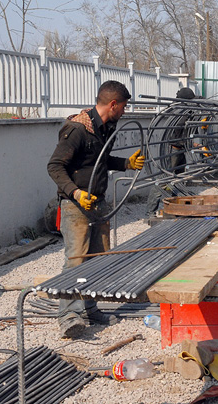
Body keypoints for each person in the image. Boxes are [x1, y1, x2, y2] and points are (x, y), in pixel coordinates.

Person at [48, 80, 145, 338]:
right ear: (112, 104)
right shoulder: (77, 129)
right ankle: (68, 315)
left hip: (97, 202)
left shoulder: (106, 127)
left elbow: (99, 162)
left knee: (98, 258)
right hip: (75, 204)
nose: (125, 112)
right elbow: (55, 167)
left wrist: (126, 164)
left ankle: (90, 309)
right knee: (77, 259)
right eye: (123, 107)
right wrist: (77, 193)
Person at [145, 87, 194, 218]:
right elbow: (176, 133)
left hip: (180, 150)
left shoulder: (185, 111)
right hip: (173, 150)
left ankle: (174, 208)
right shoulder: (180, 114)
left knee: (178, 180)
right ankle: (150, 211)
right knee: (163, 180)